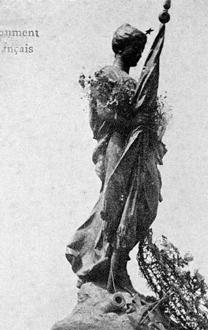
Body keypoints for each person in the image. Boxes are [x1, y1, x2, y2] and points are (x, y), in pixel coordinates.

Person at [66, 23, 167, 293]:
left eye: (143, 50)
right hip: (118, 144)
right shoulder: (105, 74)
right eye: (136, 49)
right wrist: (134, 119)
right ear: (122, 47)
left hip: (138, 146)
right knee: (115, 199)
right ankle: (101, 263)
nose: (138, 55)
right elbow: (103, 112)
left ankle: (118, 262)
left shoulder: (135, 83)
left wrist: (150, 125)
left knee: (145, 199)